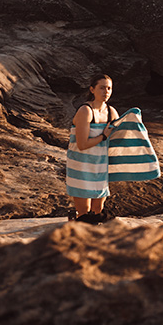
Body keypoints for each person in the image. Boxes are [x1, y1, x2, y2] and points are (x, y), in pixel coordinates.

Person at [65, 73, 115, 222]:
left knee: (98, 211)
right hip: (81, 166)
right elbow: (82, 145)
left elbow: (119, 139)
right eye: (101, 88)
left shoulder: (112, 112)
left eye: (109, 88)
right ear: (92, 89)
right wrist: (103, 136)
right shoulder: (85, 111)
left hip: (100, 166)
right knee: (84, 213)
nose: (106, 92)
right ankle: (77, 230)